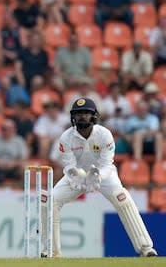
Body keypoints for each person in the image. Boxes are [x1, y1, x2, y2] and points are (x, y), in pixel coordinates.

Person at [42, 97, 158, 257]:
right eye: (78, 114)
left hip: (104, 175)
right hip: (78, 176)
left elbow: (107, 164)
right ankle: (52, 251)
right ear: (72, 117)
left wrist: (97, 177)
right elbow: (68, 164)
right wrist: (74, 176)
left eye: (86, 113)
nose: (82, 117)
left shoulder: (104, 134)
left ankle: (146, 248)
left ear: (94, 116)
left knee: (123, 200)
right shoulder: (66, 137)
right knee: (51, 201)